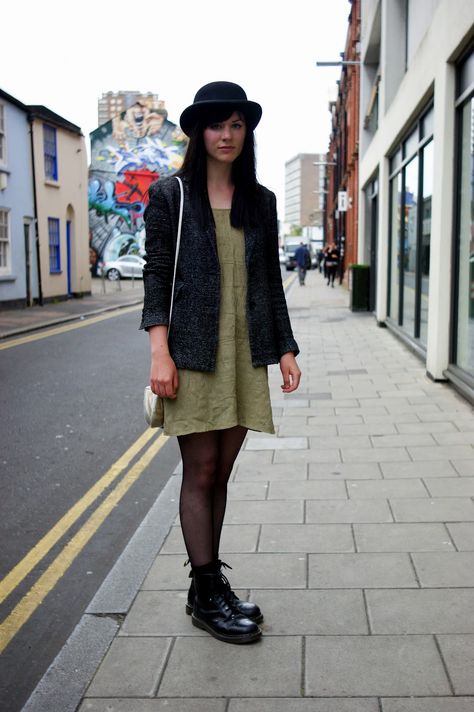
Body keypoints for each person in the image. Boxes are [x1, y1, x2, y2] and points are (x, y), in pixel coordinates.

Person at [140, 81, 301, 644]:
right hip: (193, 352)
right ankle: (209, 593)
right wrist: (160, 352)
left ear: (246, 131)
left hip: (244, 351)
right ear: (198, 132)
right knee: (201, 471)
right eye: (217, 125)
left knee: (223, 472)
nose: (227, 135)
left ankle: (205, 586)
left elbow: (269, 283)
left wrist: (285, 347)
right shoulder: (171, 196)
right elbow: (157, 277)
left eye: (237, 124)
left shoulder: (261, 201)